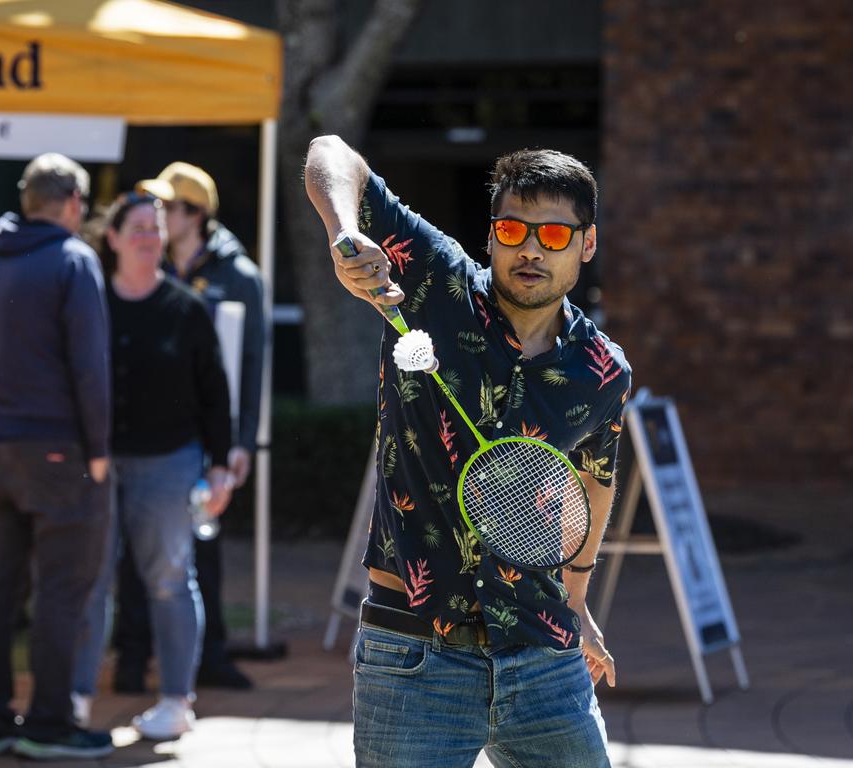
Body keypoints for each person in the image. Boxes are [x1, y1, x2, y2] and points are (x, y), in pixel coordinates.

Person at [304, 135, 632, 768]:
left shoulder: (602, 373)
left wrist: (578, 599)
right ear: (491, 237)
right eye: (513, 229)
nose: (531, 248)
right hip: (413, 653)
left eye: (555, 236)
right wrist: (346, 235)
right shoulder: (433, 282)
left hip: (543, 653)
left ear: (587, 245)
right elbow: (329, 153)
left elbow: (594, 477)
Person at [0, 153, 114, 760]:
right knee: (60, 589)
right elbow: (90, 367)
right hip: (58, 448)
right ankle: (49, 724)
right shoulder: (74, 260)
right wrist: (99, 451)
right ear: (74, 201)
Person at [72, 191, 233, 740]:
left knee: (169, 579)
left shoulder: (186, 308)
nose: (147, 236)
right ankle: (74, 699)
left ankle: (175, 702)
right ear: (112, 237)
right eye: (136, 227)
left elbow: (216, 394)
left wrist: (219, 468)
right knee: (88, 581)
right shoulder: (89, 303)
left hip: (169, 462)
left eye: (154, 227)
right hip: (96, 464)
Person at [116, 161, 263, 690]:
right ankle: (132, 658)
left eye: (169, 207)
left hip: (207, 439)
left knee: (201, 549)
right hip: (153, 435)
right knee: (134, 551)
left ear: (195, 214)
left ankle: (210, 657)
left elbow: (251, 364)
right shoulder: (145, 270)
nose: (158, 216)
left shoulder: (238, 275)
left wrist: (243, 441)